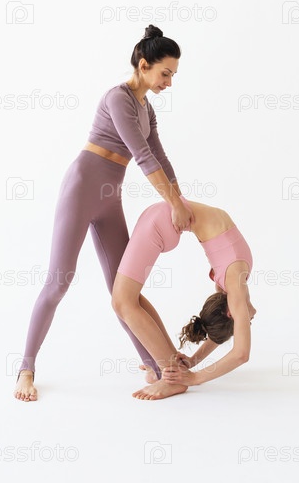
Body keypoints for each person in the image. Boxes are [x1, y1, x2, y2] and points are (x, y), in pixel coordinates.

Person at [14, 25, 194, 402]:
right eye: (165, 73)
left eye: (173, 75)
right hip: (82, 188)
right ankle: (25, 369)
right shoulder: (118, 98)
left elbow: (160, 157)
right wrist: (174, 205)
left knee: (124, 289)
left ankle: (157, 365)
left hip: (110, 197)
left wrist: (180, 199)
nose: (169, 82)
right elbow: (142, 157)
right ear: (143, 65)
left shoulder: (147, 109)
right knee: (59, 281)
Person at [112, 195, 256, 400]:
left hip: (161, 216)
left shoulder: (230, 285)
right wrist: (193, 378)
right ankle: (171, 374)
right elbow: (241, 354)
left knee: (127, 300)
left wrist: (192, 362)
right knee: (123, 302)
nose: (250, 319)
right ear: (232, 312)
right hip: (163, 219)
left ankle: (168, 367)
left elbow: (221, 331)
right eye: (246, 321)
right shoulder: (234, 285)